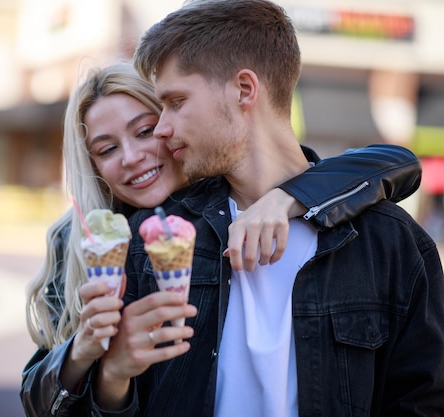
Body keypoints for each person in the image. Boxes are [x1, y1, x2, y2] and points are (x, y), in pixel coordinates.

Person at [87, 1, 444, 416]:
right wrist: (110, 377)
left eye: (176, 102)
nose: (162, 129)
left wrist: (292, 197)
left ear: (243, 89)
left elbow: (423, 402)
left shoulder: (390, 242)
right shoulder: (156, 236)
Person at [20, 63, 423, 416]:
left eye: (145, 131)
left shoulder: (236, 205)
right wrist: (89, 356)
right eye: (107, 149)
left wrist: (289, 198)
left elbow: (395, 162)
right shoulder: (78, 241)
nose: (131, 156)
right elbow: (38, 397)